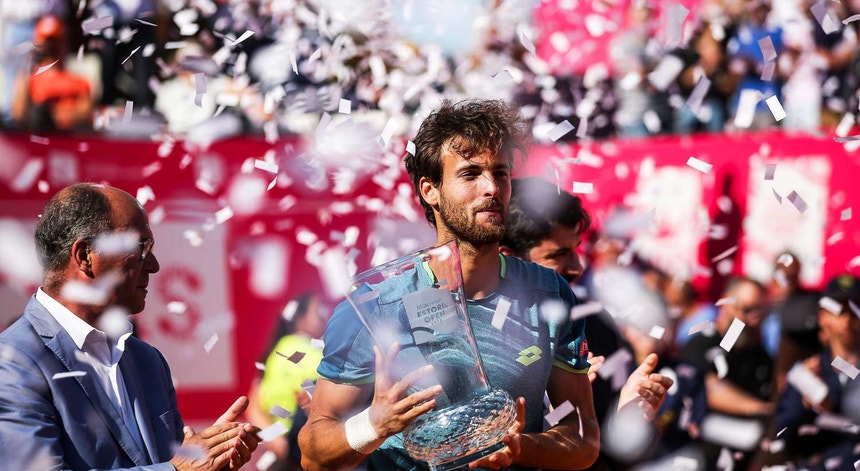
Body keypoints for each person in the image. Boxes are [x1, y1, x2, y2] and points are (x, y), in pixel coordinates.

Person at [300, 99, 617, 471]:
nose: (492, 188)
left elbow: (582, 437)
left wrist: (519, 446)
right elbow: (313, 456)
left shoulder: (549, 293)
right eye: (470, 174)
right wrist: (372, 426)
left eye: (500, 173)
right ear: (430, 190)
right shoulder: (376, 305)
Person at [0, 183, 260, 470]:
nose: (154, 265)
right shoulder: (12, 364)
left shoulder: (147, 360)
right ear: (85, 256)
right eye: (140, 247)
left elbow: (173, 462)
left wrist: (212, 457)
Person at [499, 176, 679, 469]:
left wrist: (627, 417)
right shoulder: (474, 329)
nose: (576, 267)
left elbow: (608, 451)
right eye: (558, 255)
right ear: (509, 258)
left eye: (576, 250)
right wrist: (559, 408)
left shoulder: (594, 325)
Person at [678, 276, 774, 471]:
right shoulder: (702, 344)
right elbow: (710, 389)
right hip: (699, 454)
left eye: (760, 312)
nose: (752, 319)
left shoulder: (759, 355)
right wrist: (763, 409)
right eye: (746, 309)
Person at [770, 273, 860, 469]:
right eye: (839, 311)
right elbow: (785, 434)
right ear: (823, 317)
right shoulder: (808, 372)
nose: (847, 320)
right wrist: (805, 407)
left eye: (854, 310)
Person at [247, 292, 328, 471]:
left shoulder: (274, 353)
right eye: (318, 310)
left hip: (283, 451)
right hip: (302, 448)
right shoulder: (309, 353)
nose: (325, 315)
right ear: (300, 319)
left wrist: (273, 437)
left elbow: (254, 405)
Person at [10, 14, 94, 132]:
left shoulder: (79, 81)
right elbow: (19, 114)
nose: (51, 47)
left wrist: (52, 114)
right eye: (47, 42)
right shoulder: (28, 80)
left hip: (70, 139)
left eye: (56, 42)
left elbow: (86, 114)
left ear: (64, 43)